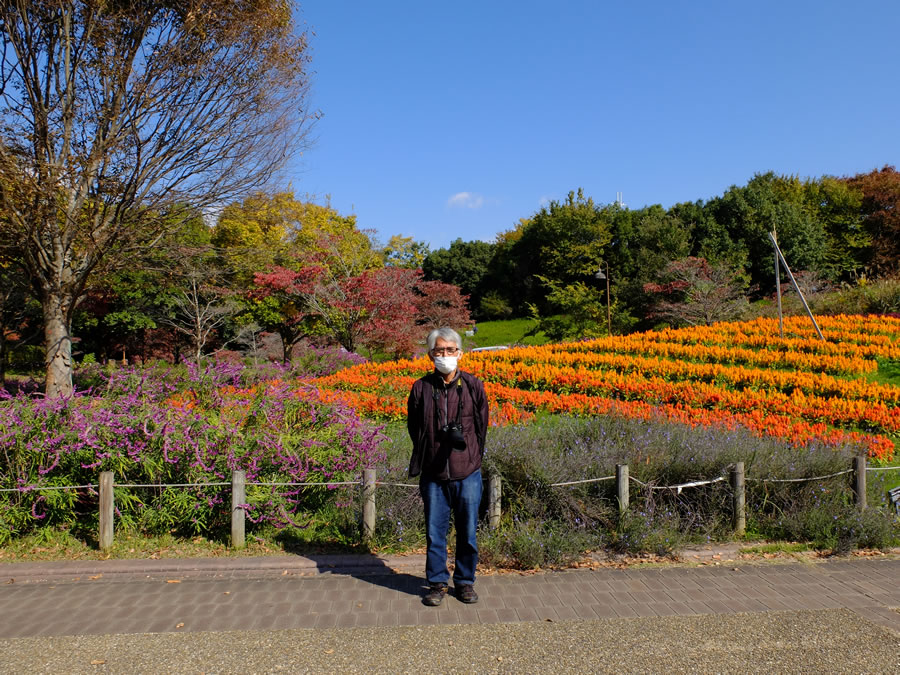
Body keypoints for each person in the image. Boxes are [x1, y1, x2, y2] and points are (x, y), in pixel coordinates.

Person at [407, 327, 489, 606]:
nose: (445, 355)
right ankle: (437, 584)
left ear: (460, 353)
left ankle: (465, 583)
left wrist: (472, 458)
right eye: (439, 350)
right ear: (430, 354)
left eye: (450, 350)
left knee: (468, 531)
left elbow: (481, 427)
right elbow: (414, 428)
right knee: (434, 532)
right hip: (433, 474)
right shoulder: (421, 388)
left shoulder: (473, 385)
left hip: (467, 472)